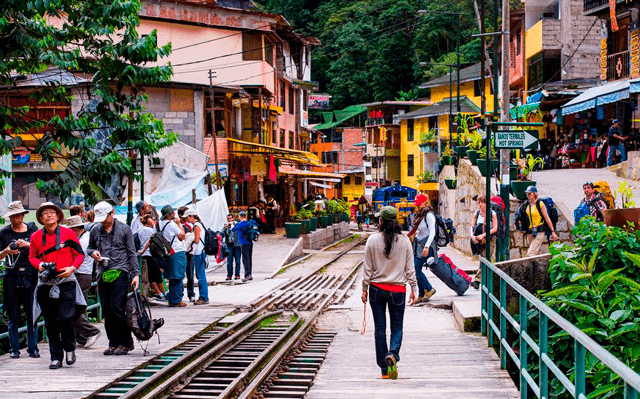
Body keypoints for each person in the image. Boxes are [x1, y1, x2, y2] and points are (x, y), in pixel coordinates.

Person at [361, 206, 417, 380]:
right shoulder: (405, 240)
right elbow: (410, 269)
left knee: (379, 328)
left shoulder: (372, 240)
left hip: (376, 290)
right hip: (398, 290)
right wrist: (414, 289)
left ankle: (385, 371)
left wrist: (364, 288)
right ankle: (392, 354)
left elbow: (367, 268)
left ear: (381, 221)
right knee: (397, 327)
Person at [29, 202, 85, 369]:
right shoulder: (36, 237)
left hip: (66, 280)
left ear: (58, 216)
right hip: (46, 282)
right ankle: (56, 357)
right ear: (40, 218)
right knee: (50, 321)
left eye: (52, 212)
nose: (49, 215)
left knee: (65, 317)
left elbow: (79, 254)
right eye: (44, 213)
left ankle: (69, 348)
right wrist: (39, 265)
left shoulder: (68, 233)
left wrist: (72, 268)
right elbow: (32, 257)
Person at [87, 202, 140, 356]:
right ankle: (113, 342)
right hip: (103, 272)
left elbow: (131, 252)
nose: (103, 221)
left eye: (106, 217)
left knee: (118, 307)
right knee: (107, 310)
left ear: (112, 213)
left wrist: (135, 274)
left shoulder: (124, 229)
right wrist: (93, 254)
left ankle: (126, 342)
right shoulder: (95, 230)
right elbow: (90, 248)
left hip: (120, 271)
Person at [0, 201, 40, 359]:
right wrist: (7, 250)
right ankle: (14, 349)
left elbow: (41, 250)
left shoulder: (32, 230)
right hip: (12, 275)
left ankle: (33, 348)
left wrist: (29, 244)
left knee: (32, 314)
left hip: (30, 274)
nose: (15, 219)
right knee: (13, 314)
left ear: (23, 215)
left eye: (18, 215)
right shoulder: (4, 233)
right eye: (12, 216)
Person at [65, 216, 102, 349]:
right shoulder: (82, 238)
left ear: (75, 229)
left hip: (81, 274)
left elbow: (75, 255)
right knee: (79, 305)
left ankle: (91, 331)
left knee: (75, 306)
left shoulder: (84, 240)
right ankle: (82, 336)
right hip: (80, 273)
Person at [406, 194, 436, 303]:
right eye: (417, 204)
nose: (417, 206)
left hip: (426, 246)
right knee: (415, 269)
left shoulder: (429, 215)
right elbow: (416, 229)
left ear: (425, 203)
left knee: (415, 269)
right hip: (419, 245)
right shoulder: (420, 215)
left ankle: (429, 288)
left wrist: (427, 246)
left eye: (419, 204)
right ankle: (421, 294)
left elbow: (432, 232)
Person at [159, 205, 188, 307]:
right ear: (170, 214)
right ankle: (177, 299)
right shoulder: (172, 224)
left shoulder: (159, 224)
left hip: (167, 251)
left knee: (172, 276)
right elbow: (182, 236)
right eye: (173, 213)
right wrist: (179, 225)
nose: (174, 214)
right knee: (178, 276)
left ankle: (172, 298)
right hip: (177, 251)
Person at [137, 214, 167, 301]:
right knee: (157, 274)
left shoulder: (140, 228)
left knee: (151, 276)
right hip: (148, 254)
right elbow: (150, 241)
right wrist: (143, 250)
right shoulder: (148, 230)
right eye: (152, 219)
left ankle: (161, 294)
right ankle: (163, 293)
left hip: (144, 255)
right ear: (147, 220)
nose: (154, 221)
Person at [523, 186, 558, 256]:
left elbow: (547, 218)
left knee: (530, 254)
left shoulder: (540, 204)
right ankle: (542, 266)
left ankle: (528, 267)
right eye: (527, 194)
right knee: (537, 253)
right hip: (530, 232)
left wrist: (553, 232)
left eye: (530, 193)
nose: (528, 195)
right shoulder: (528, 204)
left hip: (539, 231)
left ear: (534, 194)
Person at [183, 209, 209, 305]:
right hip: (201, 252)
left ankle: (203, 297)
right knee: (201, 275)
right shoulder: (200, 224)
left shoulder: (196, 226)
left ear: (191, 216)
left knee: (200, 275)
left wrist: (189, 238)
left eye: (187, 218)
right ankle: (204, 296)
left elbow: (197, 240)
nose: (187, 220)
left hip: (199, 252)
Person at [470, 195, 498, 259]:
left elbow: (495, 228)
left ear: (485, 203)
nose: (480, 204)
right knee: (482, 256)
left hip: (490, 238)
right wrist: (472, 236)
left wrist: (483, 235)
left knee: (487, 256)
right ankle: (481, 269)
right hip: (479, 238)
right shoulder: (476, 213)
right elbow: (472, 227)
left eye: (482, 202)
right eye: (478, 202)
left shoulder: (492, 213)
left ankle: (483, 269)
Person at [177, 206, 196, 302]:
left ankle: (191, 294)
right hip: (181, 251)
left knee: (190, 274)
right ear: (181, 215)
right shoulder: (178, 225)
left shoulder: (192, 225)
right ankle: (180, 293)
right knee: (180, 274)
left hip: (190, 252)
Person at [232, 211, 253, 282]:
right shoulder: (248, 223)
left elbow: (233, 229)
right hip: (250, 242)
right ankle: (250, 274)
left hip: (244, 243)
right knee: (249, 258)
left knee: (245, 259)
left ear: (240, 216)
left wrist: (233, 224)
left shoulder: (241, 224)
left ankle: (247, 275)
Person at [223, 214, 241, 281]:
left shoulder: (237, 224)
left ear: (233, 218)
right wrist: (226, 228)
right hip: (229, 245)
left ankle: (237, 274)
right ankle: (229, 275)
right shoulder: (226, 226)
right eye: (228, 218)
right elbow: (222, 233)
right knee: (229, 261)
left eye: (230, 218)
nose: (229, 220)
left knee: (237, 261)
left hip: (237, 245)